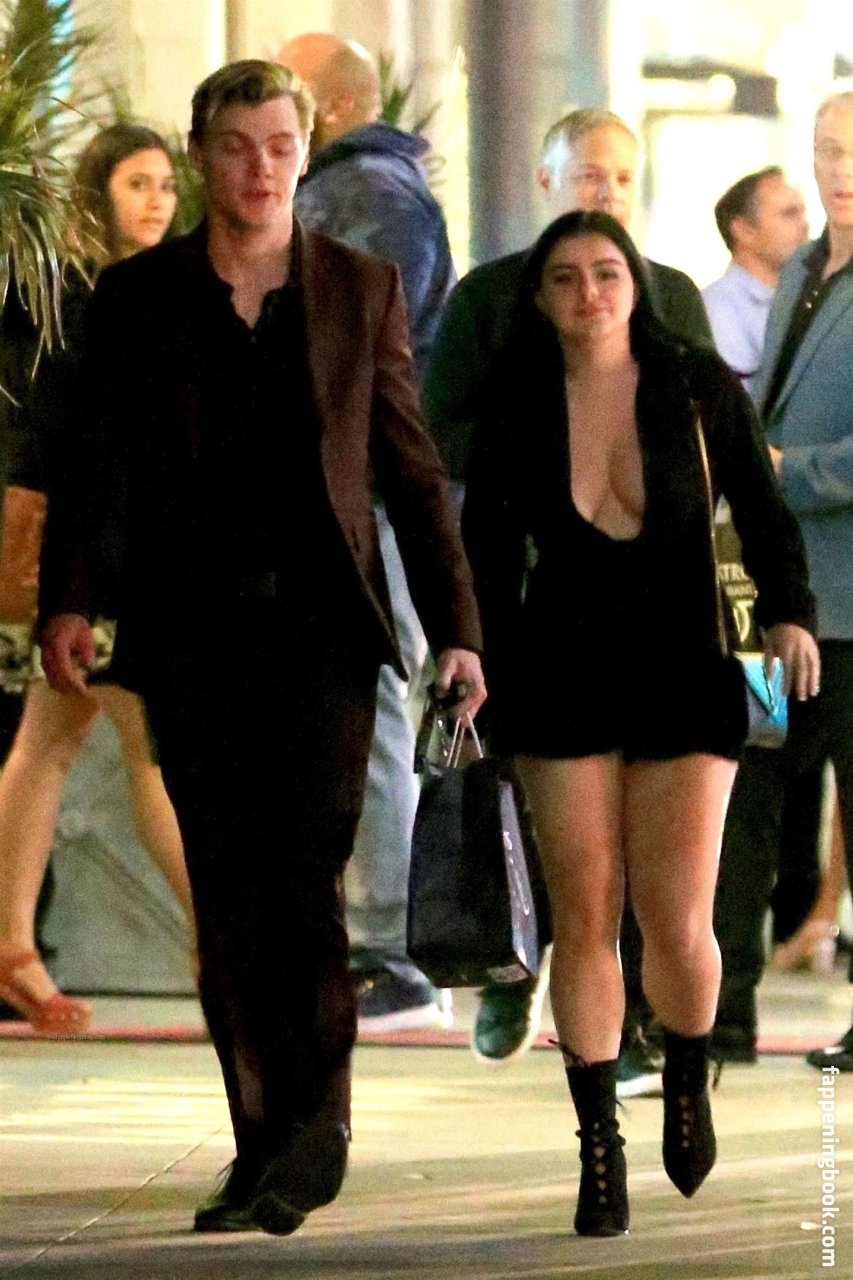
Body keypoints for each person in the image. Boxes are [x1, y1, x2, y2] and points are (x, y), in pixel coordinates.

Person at [37, 61, 485, 1235]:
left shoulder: (358, 287)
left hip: (320, 632)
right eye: (237, 146)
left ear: (305, 149)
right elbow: (96, 463)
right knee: (229, 902)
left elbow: (410, 468)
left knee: (301, 886)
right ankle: (256, 1141)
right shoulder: (138, 297)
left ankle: (313, 1133)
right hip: (190, 634)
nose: (261, 168)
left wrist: (457, 631)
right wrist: (69, 601)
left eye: (281, 145)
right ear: (201, 154)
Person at [461, 209, 818, 1237]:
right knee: (584, 913)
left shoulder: (695, 384)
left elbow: (761, 509)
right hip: (558, 673)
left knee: (676, 917)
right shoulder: (519, 400)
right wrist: (470, 659)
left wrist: (788, 614)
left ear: (636, 285)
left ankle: (688, 1069)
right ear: (540, 298)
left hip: (684, 670)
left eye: (606, 272)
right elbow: (484, 547)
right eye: (565, 277)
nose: (589, 293)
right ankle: (598, 1147)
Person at [424, 106, 712, 1091]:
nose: (606, 194)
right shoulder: (490, 296)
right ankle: (514, 960)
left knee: (644, 833)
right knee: (534, 803)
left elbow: (702, 439)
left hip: (652, 610)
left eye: (622, 178)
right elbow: (438, 429)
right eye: (589, 175)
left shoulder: (669, 296)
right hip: (525, 595)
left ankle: (630, 1026)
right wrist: (540, 454)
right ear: (546, 183)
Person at [278, 32, 456, 1032]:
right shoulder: (360, 190)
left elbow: (350, 359)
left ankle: (387, 946)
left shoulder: (370, 197)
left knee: (376, 706)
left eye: (290, 100)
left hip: (367, 496)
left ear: (334, 108)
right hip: (359, 491)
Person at [0, 123, 193, 1036]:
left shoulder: (158, 289)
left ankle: (14, 948)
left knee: (51, 742)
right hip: (84, 550)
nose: (155, 201)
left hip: (118, 548)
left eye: (164, 184)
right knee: (136, 739)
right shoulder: (78, 293)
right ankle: (220, 942)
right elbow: (62, 427)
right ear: (97, 195)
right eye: (135, 184)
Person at [747, 91, 853, 1073]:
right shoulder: (797, 272)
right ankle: (717, 1010)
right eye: (826, 150)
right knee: (748, 785)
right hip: (774, 594)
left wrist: (786, 473)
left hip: (849, 595)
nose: (840, 170)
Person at [700, 166, 812, 1062]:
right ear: (740, 228)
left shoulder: (805, 298)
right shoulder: (712, 315)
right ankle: (727, 1006)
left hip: (804, 593)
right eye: (787, 209)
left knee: (790, 787)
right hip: (744, 596)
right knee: (754, 776)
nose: (802, 220)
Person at [702, 167, 808, 390]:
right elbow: (742, 402)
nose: (805, 225)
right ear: (743, 230)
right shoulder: (719, 308)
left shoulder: (806, 296)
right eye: (789, 214)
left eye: (802, 212)